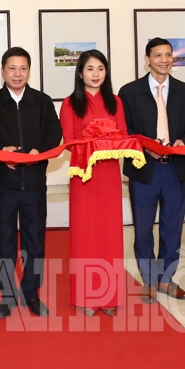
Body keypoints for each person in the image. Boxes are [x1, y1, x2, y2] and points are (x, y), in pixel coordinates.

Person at [0, 47, 62, 319]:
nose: (17, 74)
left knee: (34, 242)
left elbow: (54, 133)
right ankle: (6, 295)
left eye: (23, 68)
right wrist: (1, 152)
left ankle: (31, 293)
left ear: (29, 71)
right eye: (12, 68)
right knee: (3, 242)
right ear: (3, 71)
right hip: (3, 185)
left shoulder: (42, 101)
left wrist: (39, 151)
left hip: (34, 184)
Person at [119, 38, 185, 304]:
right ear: (147, 59)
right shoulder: (129, 92)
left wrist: (183, 142)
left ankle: (166, 279)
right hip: (144, 170)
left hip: (175, 169)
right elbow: (124, 130)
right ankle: (148, 279)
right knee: (143, 229)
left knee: (172, 228)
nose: (164, 60)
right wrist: (144, 146)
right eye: (158, 55)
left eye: (168, 55)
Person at [60, 50, 127, 317]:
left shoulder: (115, 102)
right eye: (90, 69)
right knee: (85, 232)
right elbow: (68, 141)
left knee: (109, 233)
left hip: (109, 174)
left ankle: (109, 295)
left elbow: (122, 135)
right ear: (80, 73)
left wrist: (109, 143)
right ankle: (86, 295)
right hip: (84, 174)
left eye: (100, 68)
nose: (96, 74)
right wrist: (92, 143)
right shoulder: (70, 103)